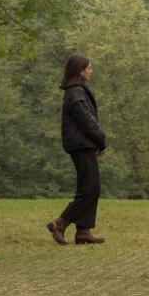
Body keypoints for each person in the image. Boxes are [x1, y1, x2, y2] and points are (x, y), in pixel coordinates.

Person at [47, 54, 107, 245]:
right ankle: (60, 223)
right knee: (90, 188)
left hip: (83, 144)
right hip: (80, 145)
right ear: (80, 71)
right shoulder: (75, 93)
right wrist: (101, 140)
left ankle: (83, 231)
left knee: (89, 187)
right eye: (89, 67)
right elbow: (87, 122)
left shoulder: (77, 91)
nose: (91, 70)